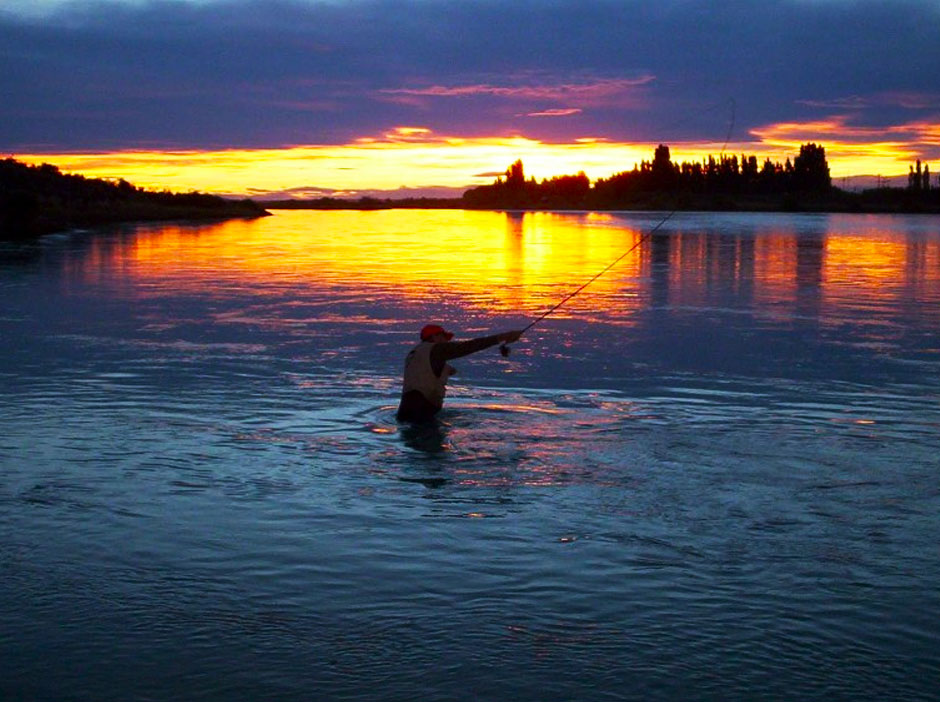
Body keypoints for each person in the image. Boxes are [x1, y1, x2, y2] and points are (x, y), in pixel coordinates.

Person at [396, 323, 523, 422]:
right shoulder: (437, 349)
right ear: (434, 337)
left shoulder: (414, 353)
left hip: (404, 413)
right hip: (423, 414)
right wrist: (502, 337)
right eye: (444, 337)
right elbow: (467, 347)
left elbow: (424, 372)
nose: (447, 341)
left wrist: (446, 370)